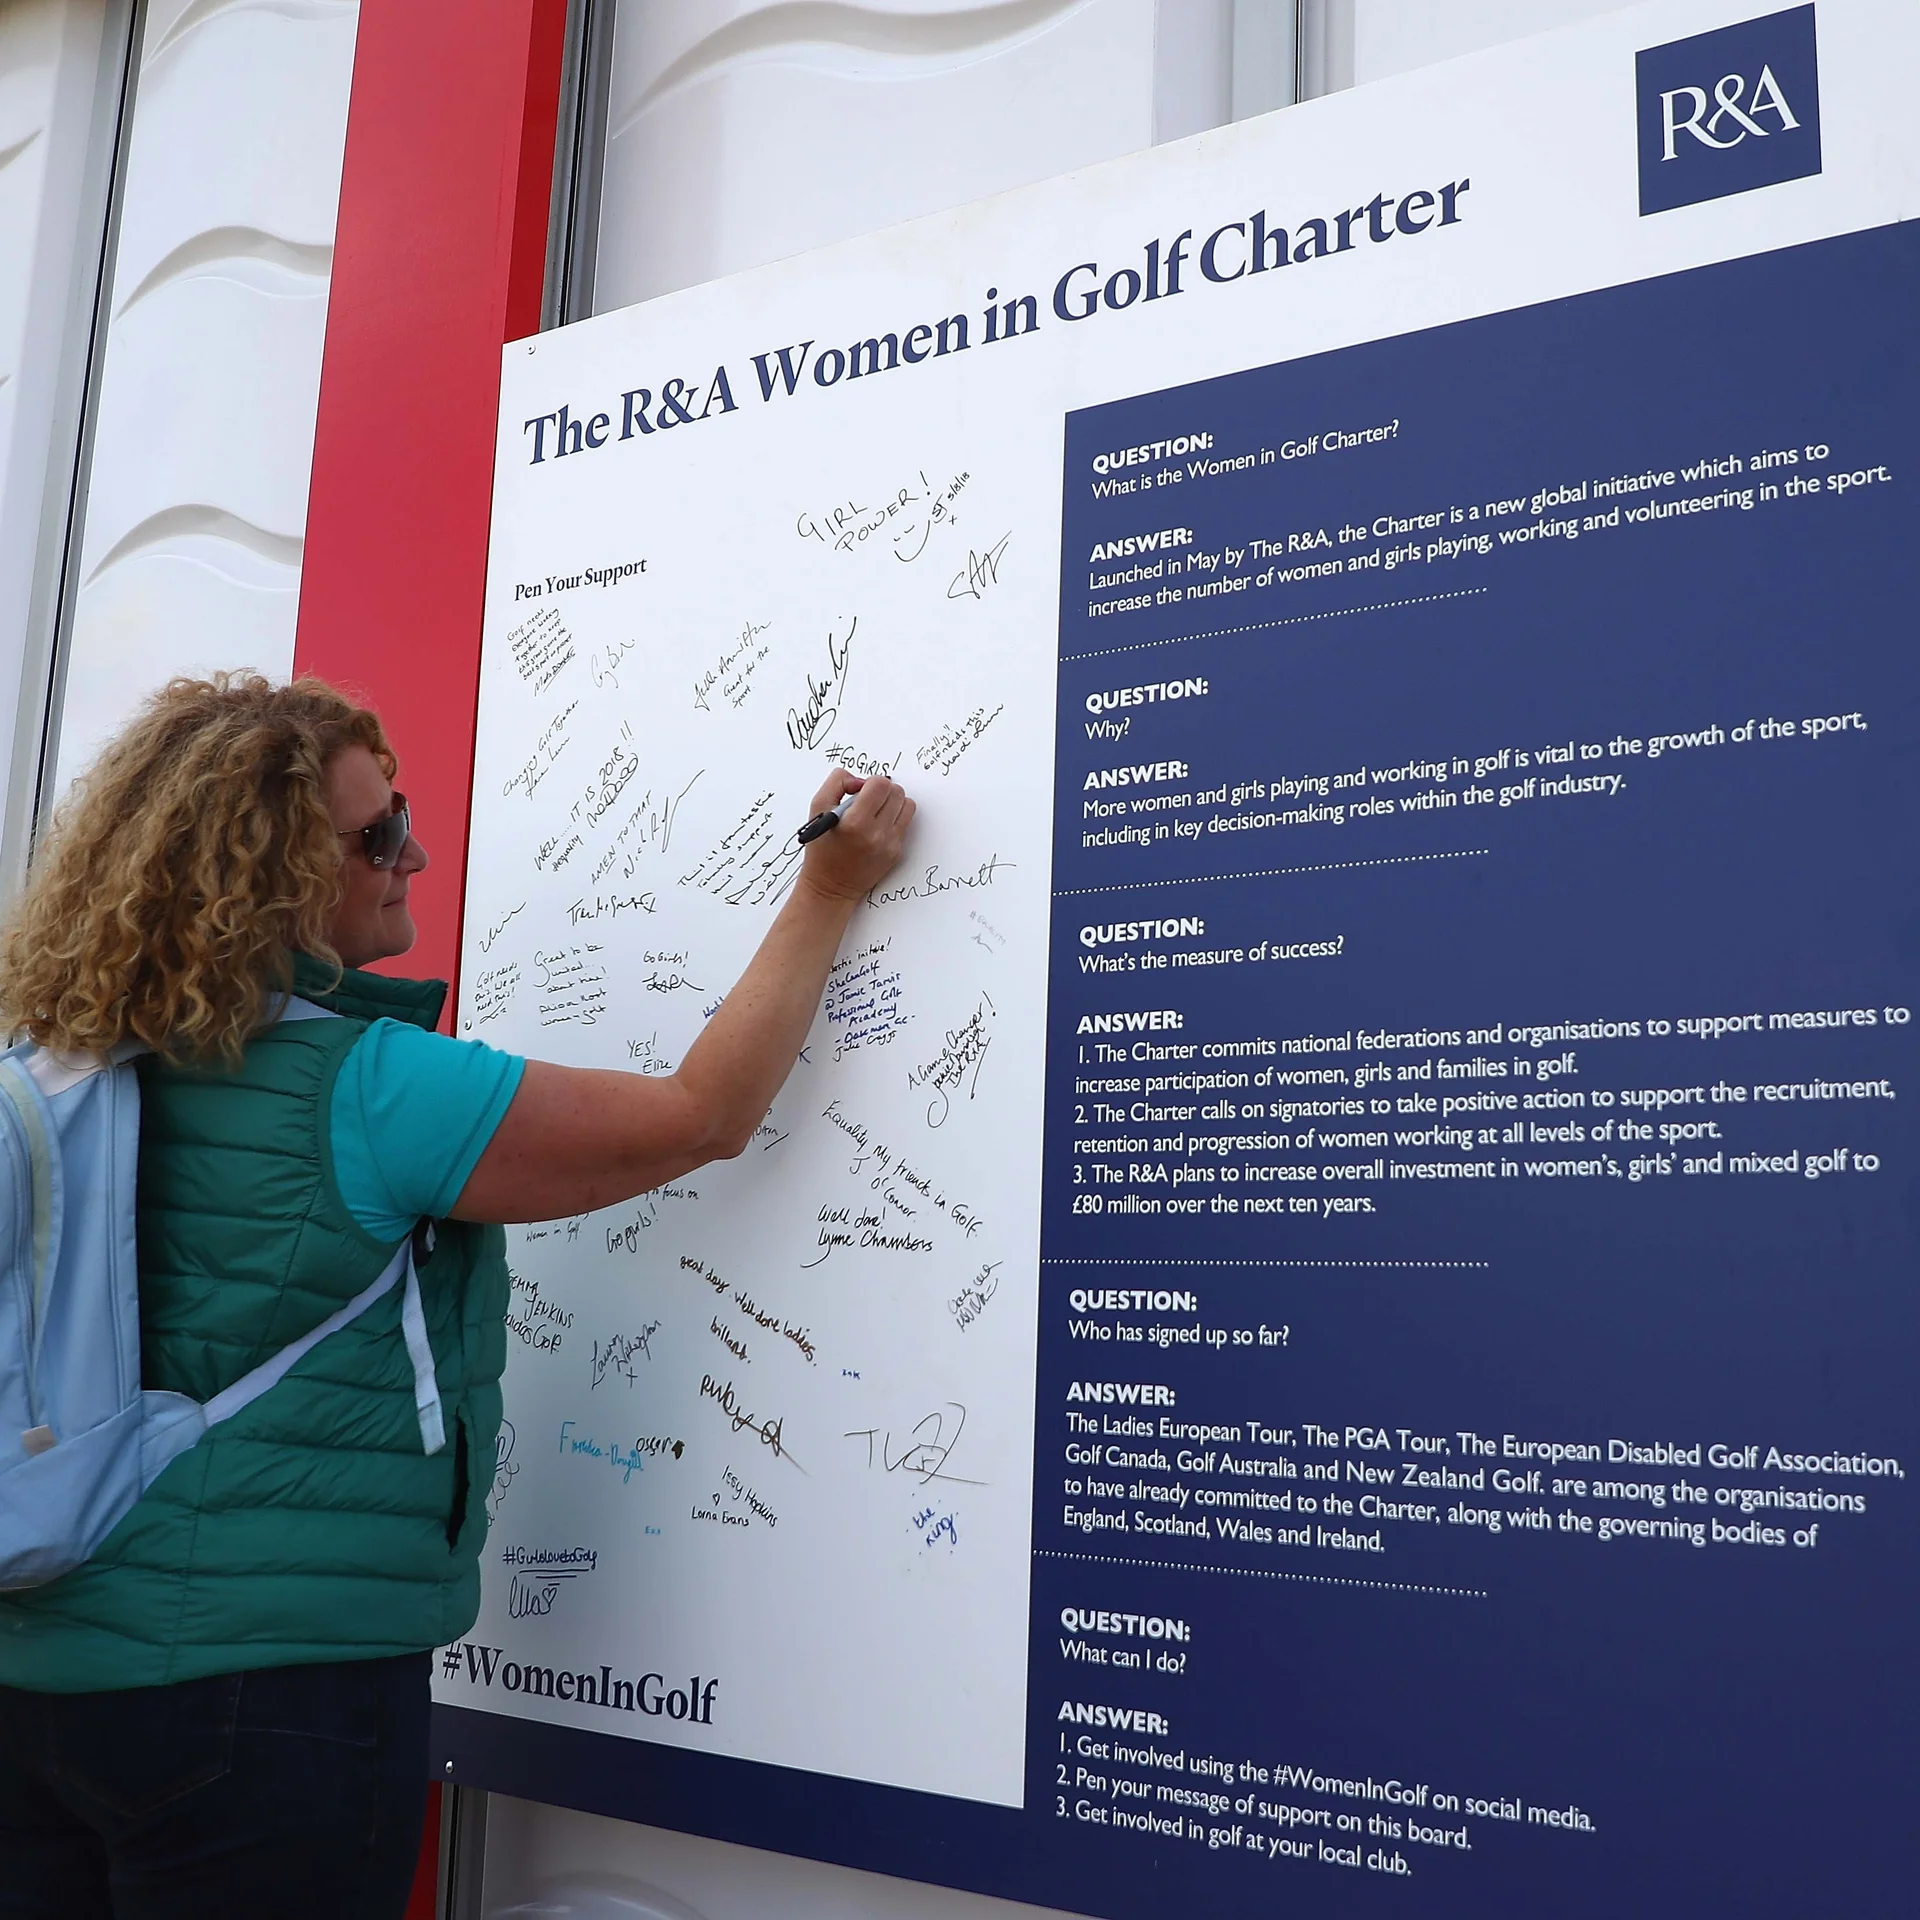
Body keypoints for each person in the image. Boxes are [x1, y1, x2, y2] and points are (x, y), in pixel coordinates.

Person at [0, 674, 913, 1919]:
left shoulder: (54, 1070)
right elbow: (703, 1116)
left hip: (40, 1682)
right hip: (270, 1703)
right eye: (375, 834)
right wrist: (825, 890)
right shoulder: (368, 1088)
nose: (412, 852)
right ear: (265, 865)